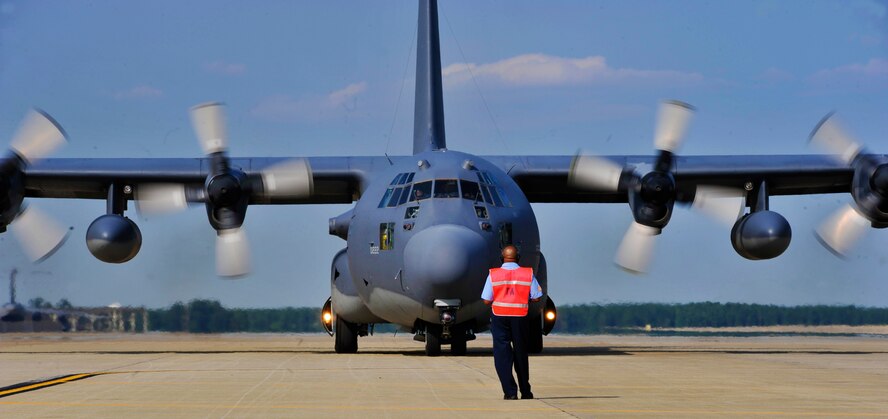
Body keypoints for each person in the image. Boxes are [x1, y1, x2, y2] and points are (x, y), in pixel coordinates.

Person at [481, 245, 542, 400]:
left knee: (502, 355)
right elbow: (536, 297)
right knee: (521, 353)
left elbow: (487, 300)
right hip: (520, 316)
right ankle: (525, 391)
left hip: (499, 316)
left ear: (502, 258)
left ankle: (510, 392)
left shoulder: (493, 275)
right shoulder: (527, 273)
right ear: (518, 257)